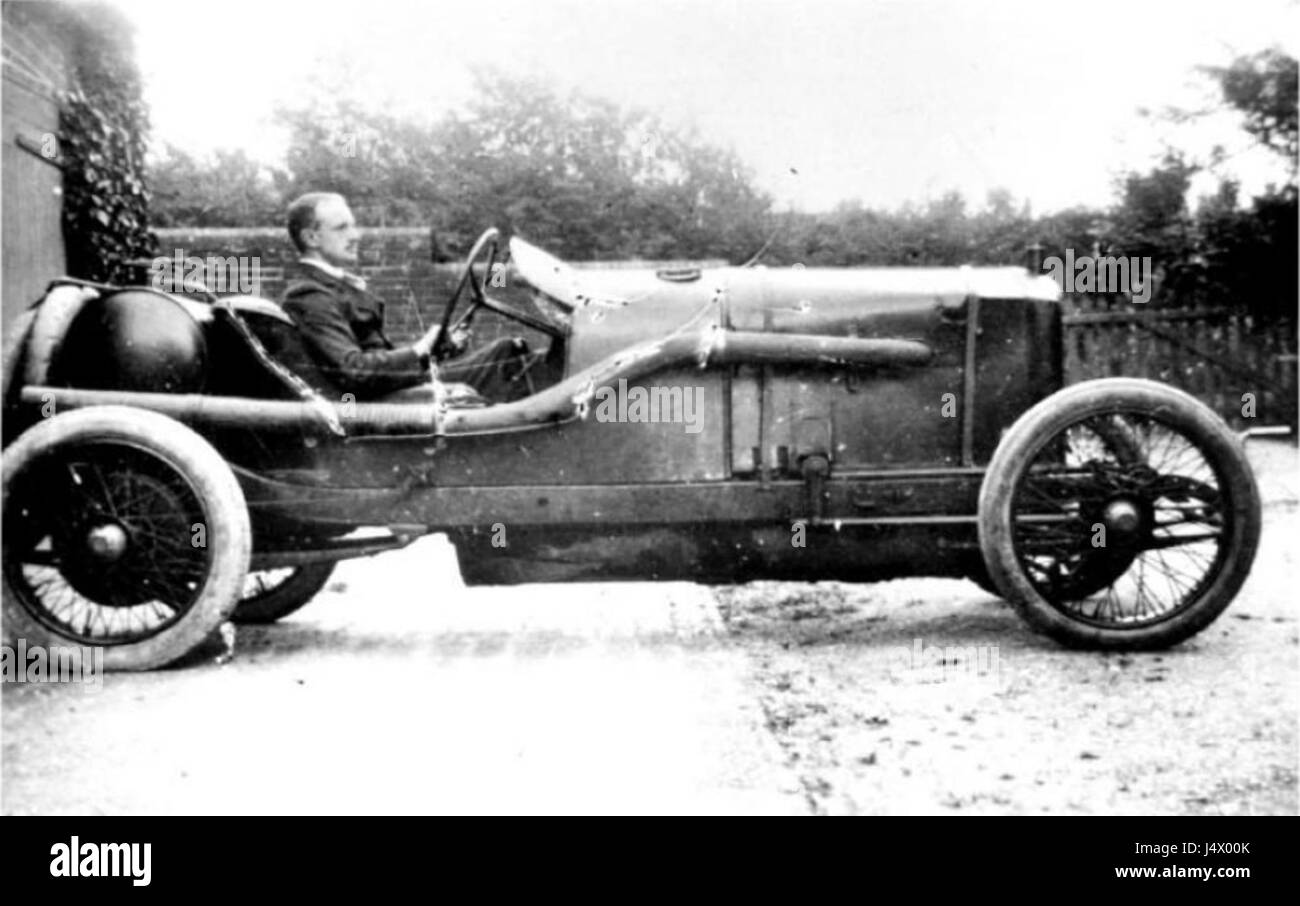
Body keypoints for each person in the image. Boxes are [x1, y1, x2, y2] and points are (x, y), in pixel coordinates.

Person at [279, 191, 531, 402]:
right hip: (388, 405)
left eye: (353, 226)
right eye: (342, 228)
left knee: (508, 350)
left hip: (399, 393)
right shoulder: (309, 294)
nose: (355, 236)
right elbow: (354, 371)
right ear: (311, 237)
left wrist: (437, 350)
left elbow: (373, 365)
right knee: (509, 362)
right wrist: (421, 348)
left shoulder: (334, 287)